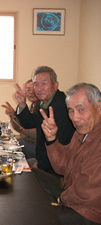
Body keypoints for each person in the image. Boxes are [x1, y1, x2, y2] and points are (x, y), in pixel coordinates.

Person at [33, 83, 101, 224]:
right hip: (69, 191)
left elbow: (87, 192)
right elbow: (63, 166)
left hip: (88, 211)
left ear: (99, 107)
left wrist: (60, 200)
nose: (75, 118)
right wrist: (52, 139)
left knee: (35, 216)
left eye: (81, 109)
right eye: (71, 111)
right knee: (33, 173)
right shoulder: (81, 132)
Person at [15, 66, 75, 177]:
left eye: (44, 83)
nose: (39, 88)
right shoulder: (44, 103)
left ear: (55, 85)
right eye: (36, 84)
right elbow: (29, 123)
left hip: (57, 170)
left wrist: (41, 166)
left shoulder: (62, 106)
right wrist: (22, 104)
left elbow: (59, 144)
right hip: (45, 160)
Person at [2, 79, 39, 159]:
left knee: (18, 142)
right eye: (28, 89)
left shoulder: (43, 107)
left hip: (41, 149)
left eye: (33, 88)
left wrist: (27, 132)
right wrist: (13, 116)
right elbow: (20, 128)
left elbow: (42, 133)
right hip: (31, 143)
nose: (31, 92)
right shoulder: (31, 107)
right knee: (13, 142)